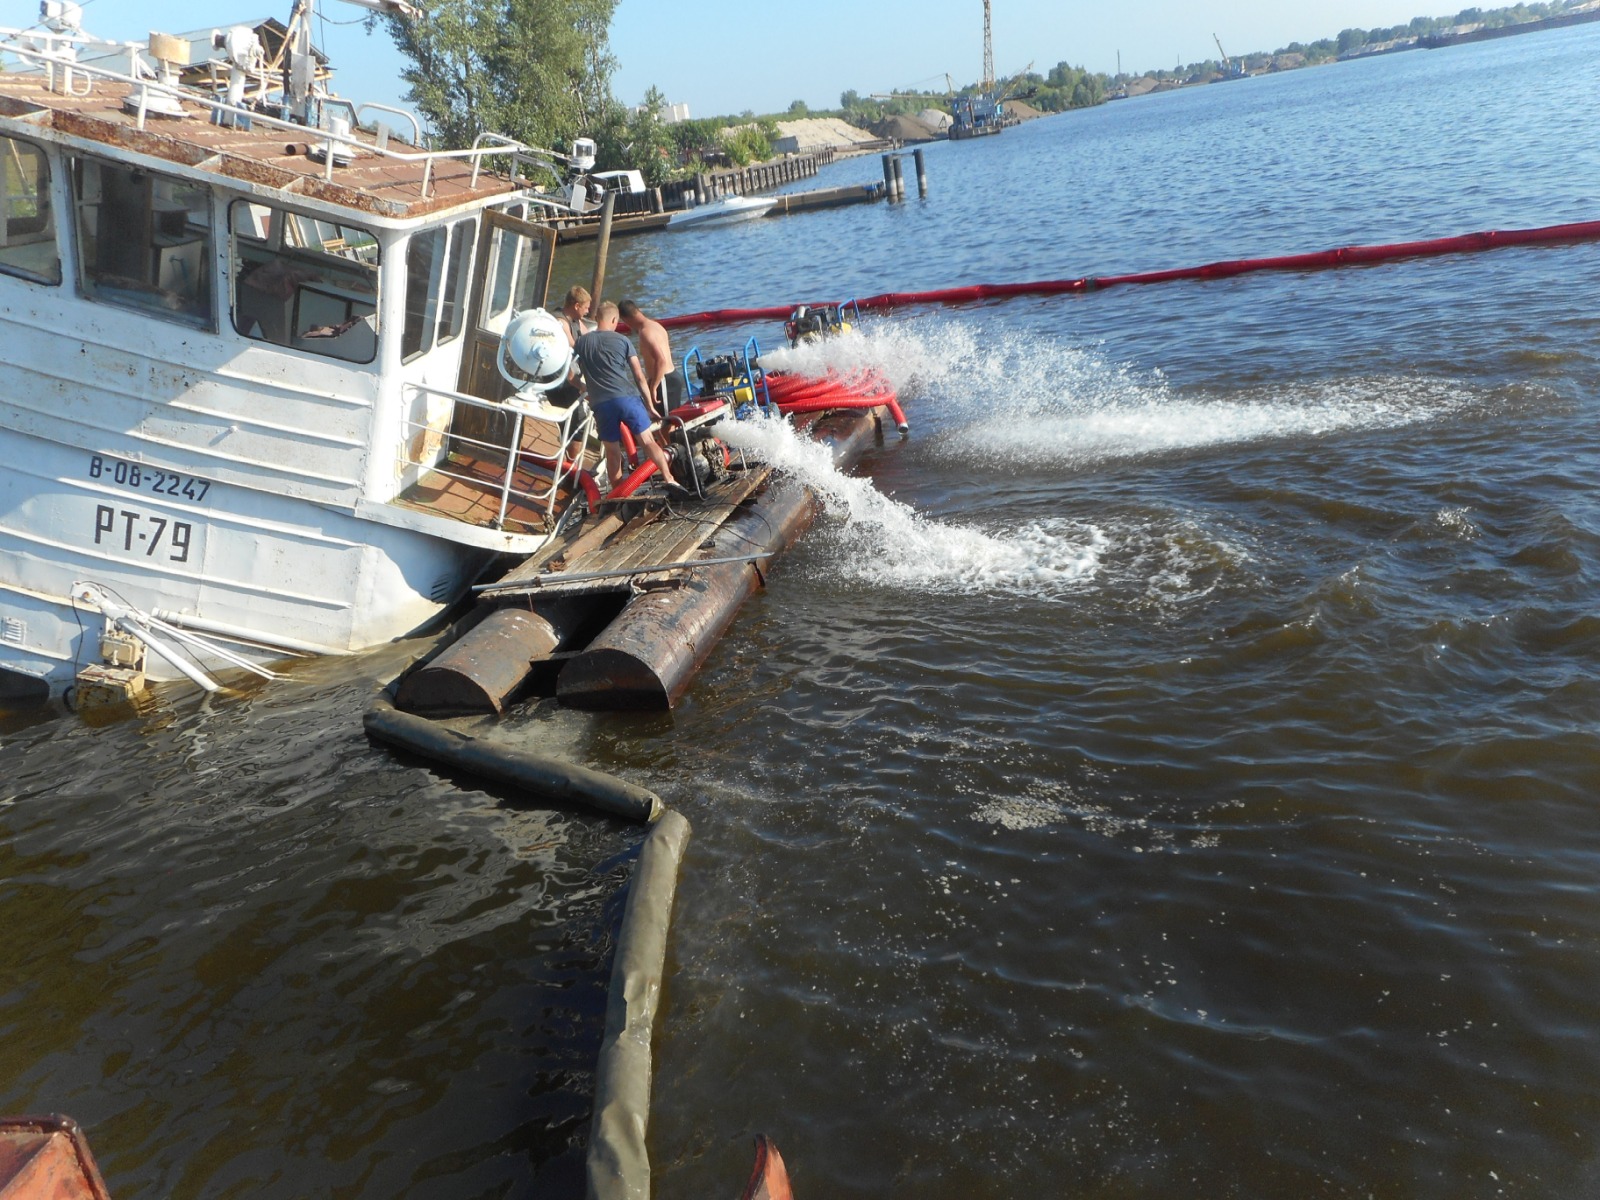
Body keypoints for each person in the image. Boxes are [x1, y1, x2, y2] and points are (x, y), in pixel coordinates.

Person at [573, 301, 684, 493]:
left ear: (597, 318)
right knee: (648, 441)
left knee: (612, 452)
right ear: (614, 320)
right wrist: (649, 405)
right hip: (627, 399)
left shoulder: (581, 342)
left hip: (601, 404)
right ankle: (669, 478)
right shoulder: (623, 341)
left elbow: (569, 371)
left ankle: (619, 494)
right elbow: (639, 376)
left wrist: (582, 387)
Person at [618, 299, 684, 412]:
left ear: (626, 319)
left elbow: (661, 360)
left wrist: (654, 386)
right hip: (669, 377)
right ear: (638, 310)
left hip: (664, 380)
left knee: (666, 420)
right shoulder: (655, 325)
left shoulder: (645, 332)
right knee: (667, 419)